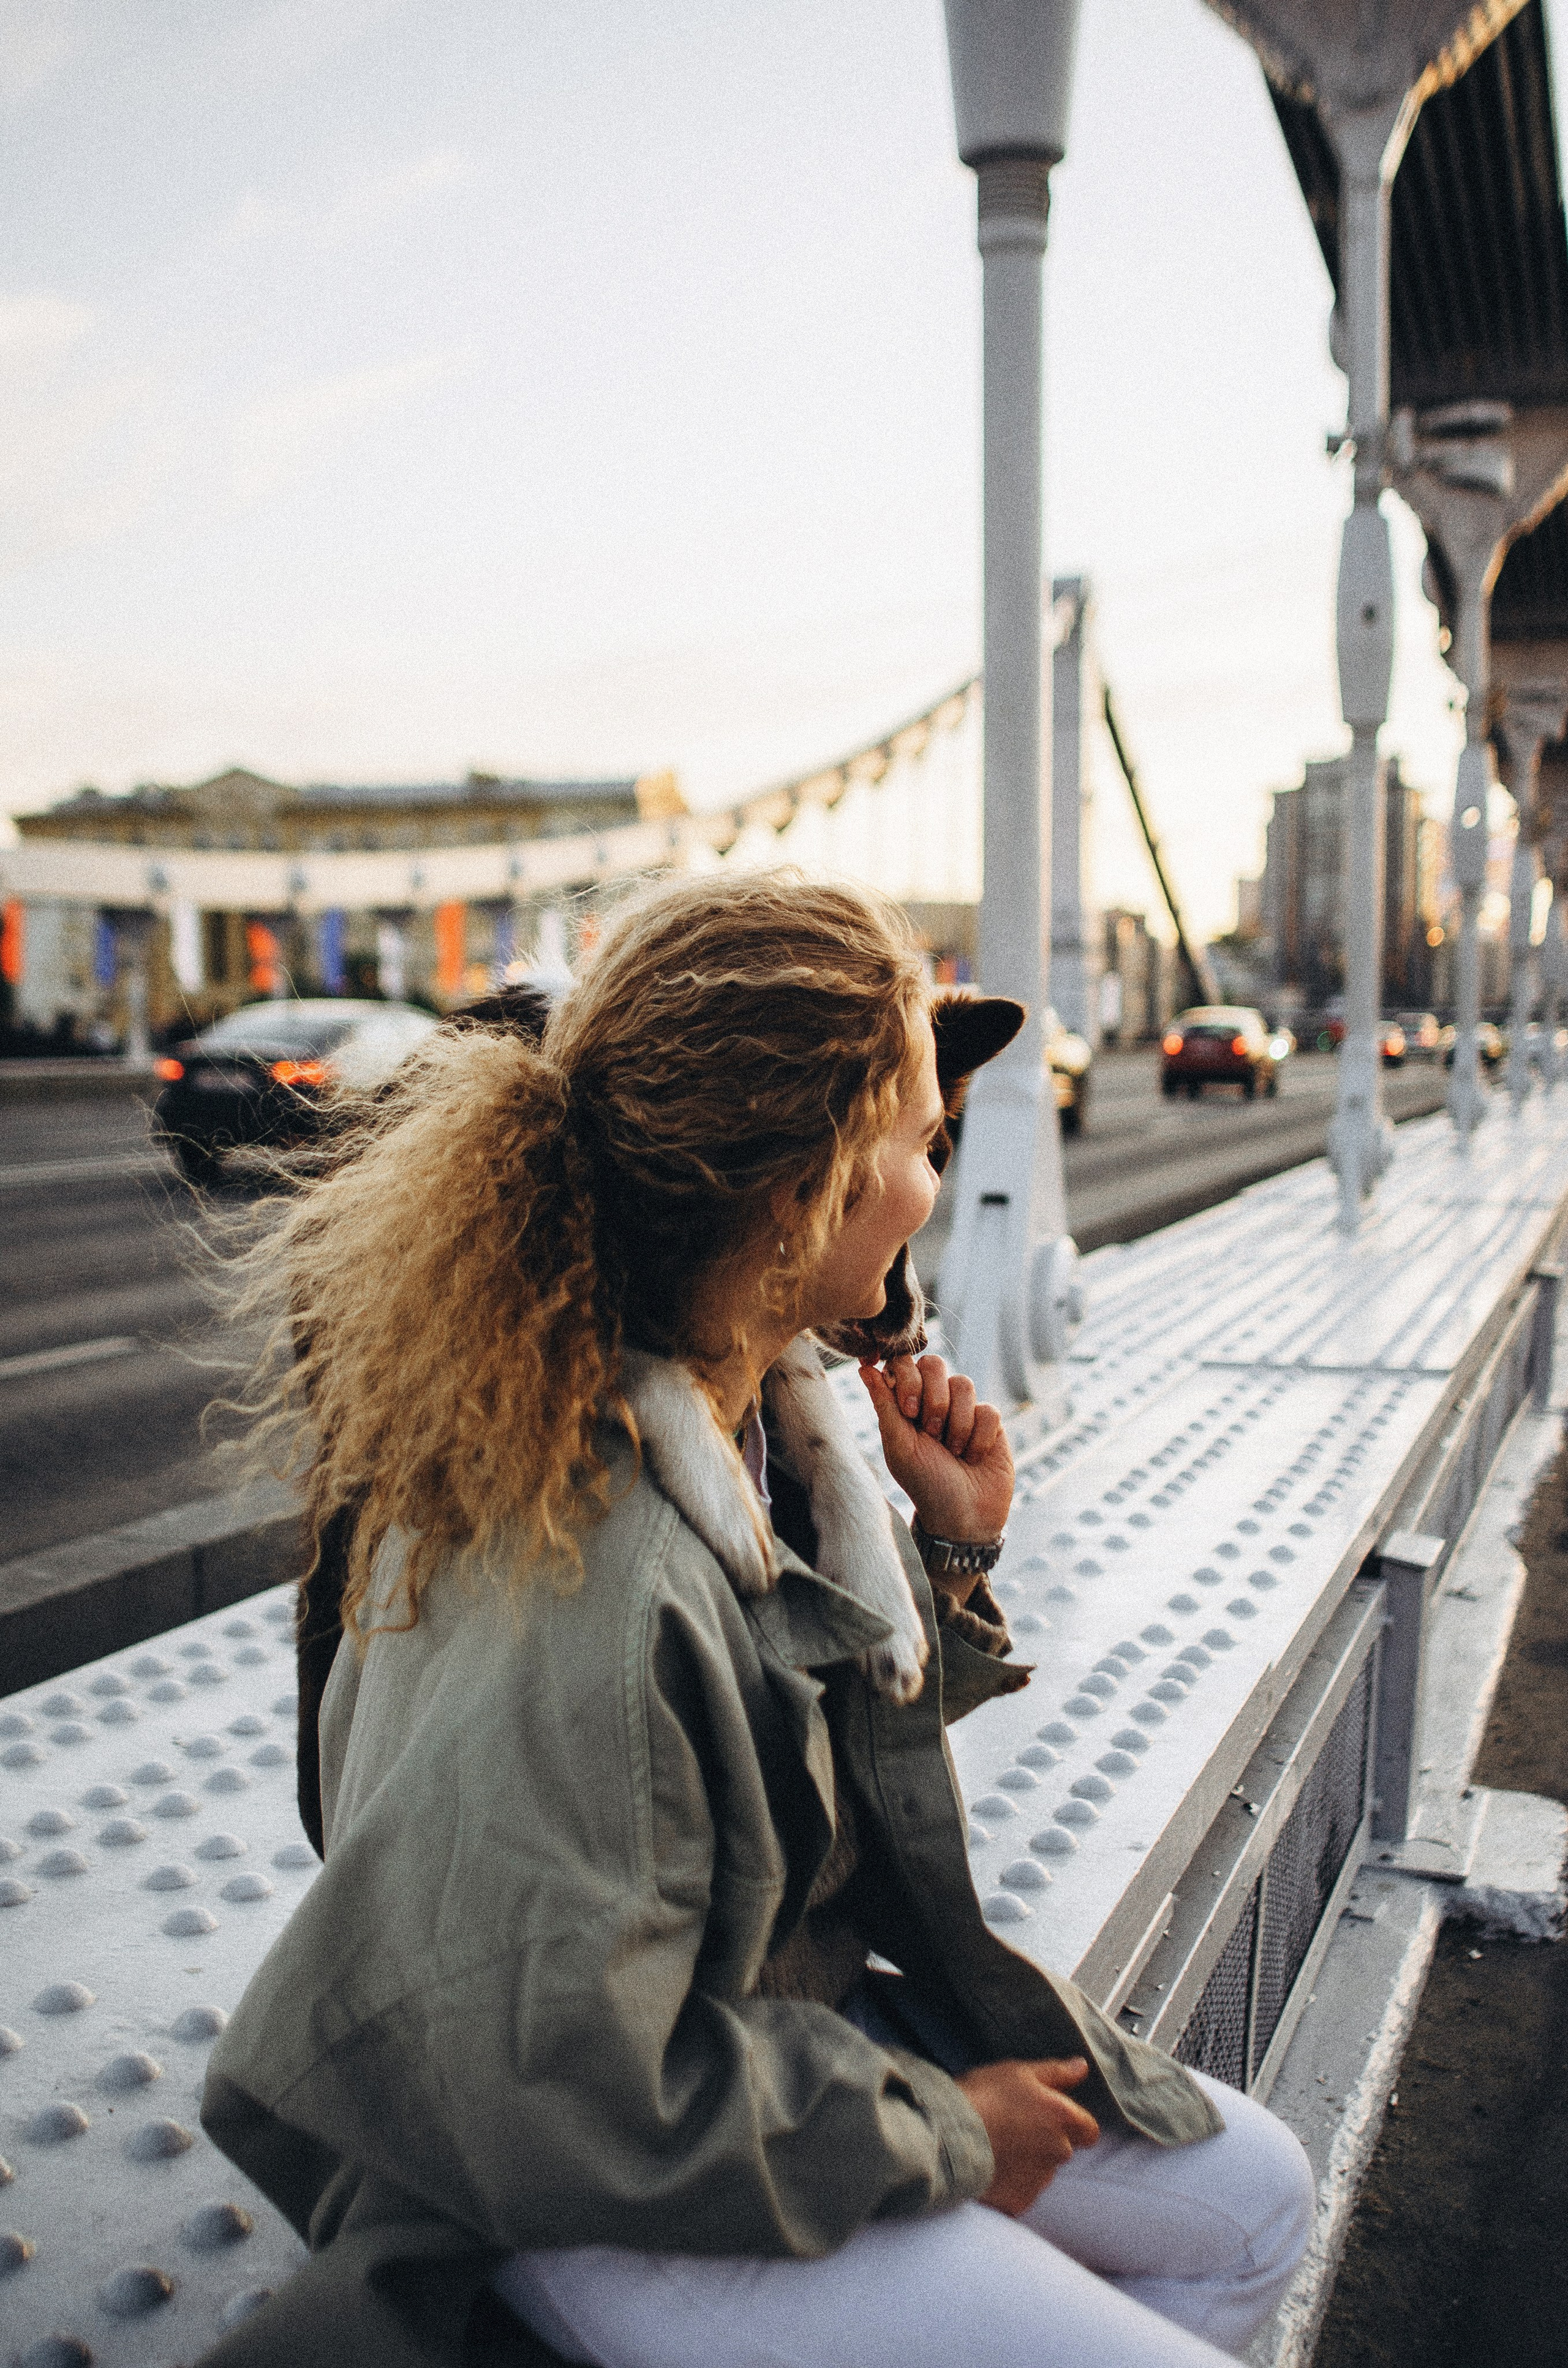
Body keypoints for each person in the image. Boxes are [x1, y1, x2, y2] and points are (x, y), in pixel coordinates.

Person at [201, 874, 1313, 2368]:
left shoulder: (726, 1421)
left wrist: (950, 1548)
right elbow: (554, 2074)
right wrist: (942, 2131)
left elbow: (748, 1752)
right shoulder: (601, 1563)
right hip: (587, 2165)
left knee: (1257, 2200)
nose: (935, 1178)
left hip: (733, 2028)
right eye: (921, 1139)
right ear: (809, 1185)